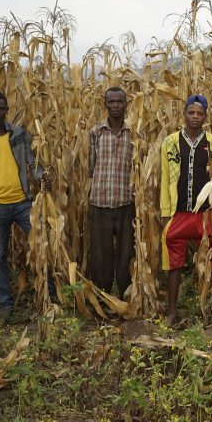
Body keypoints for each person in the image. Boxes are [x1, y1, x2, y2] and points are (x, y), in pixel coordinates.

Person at [0, 91, 50, 322]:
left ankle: (49, 297)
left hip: (22, 202)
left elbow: (32, 163)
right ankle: (6, 305)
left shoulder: (19, 134)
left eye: (0, 108)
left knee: (42, 246)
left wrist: (42, 178)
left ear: (6, 110)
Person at [160, 94, 212, 324]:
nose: (195, 117)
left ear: (205, 116)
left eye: (199, 113)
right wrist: (165, 212)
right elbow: (166, 178)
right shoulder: (170, 142)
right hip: (178, 212)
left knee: (210, 262)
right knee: (174, 264)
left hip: (205, 214)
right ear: (184, 114)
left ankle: (208, 309)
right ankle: (172, 311)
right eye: (191, 112)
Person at [87, 87, 135, 299]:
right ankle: (102, 298)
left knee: (127, 255)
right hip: (100, 202)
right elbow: (90, 167)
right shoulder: (96, 132)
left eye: (120, 102)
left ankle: (127, 296)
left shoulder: (134, 133)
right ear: (105, 104)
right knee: (100, 255)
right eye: (111, 102)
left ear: (126, 104)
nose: (116, 106)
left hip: (126, 202)